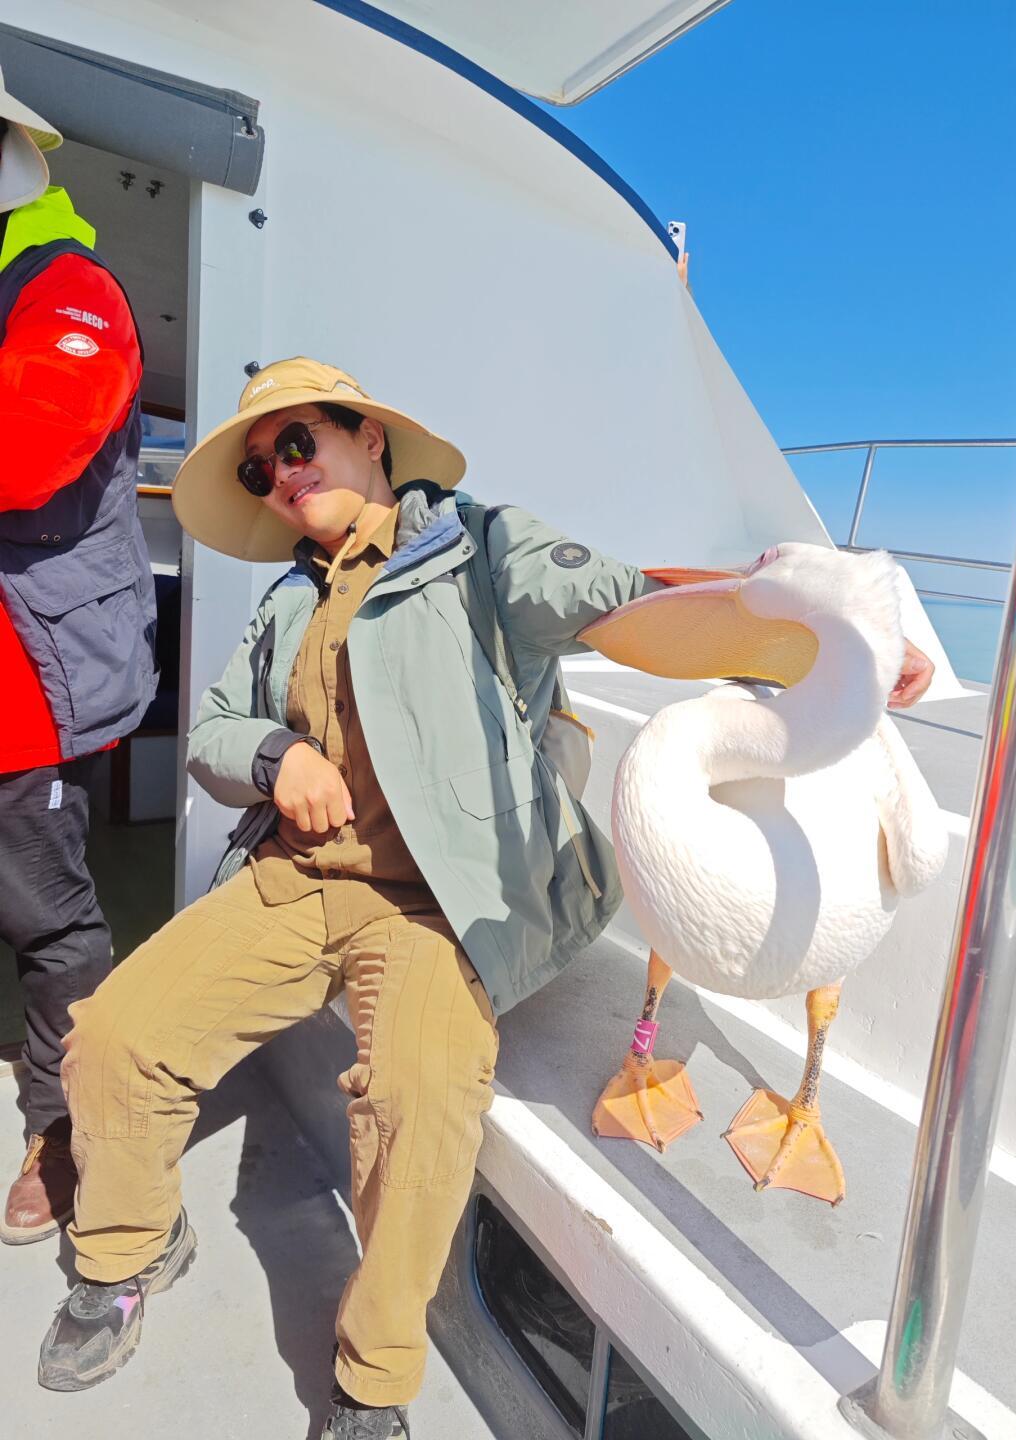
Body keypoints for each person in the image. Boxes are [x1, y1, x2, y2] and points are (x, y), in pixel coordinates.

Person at [37, 357, 934, 1437]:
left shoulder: (479, 547)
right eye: (259, 468)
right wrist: (279, 756)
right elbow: (218, 729)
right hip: (293, 881)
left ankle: (371, 1383)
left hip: (437, 906)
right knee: (117, 1035)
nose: (280, 474)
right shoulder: (286, 602)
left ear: (370, 438)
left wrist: (818, 639)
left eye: (298, 443)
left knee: (416, 1102)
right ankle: (128, 1253)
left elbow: (629, 602)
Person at [0, 66, 154, 1244]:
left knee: (47, 921)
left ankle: (61, 1128)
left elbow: (30, 443)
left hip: (25, 690)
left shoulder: (72, 288)